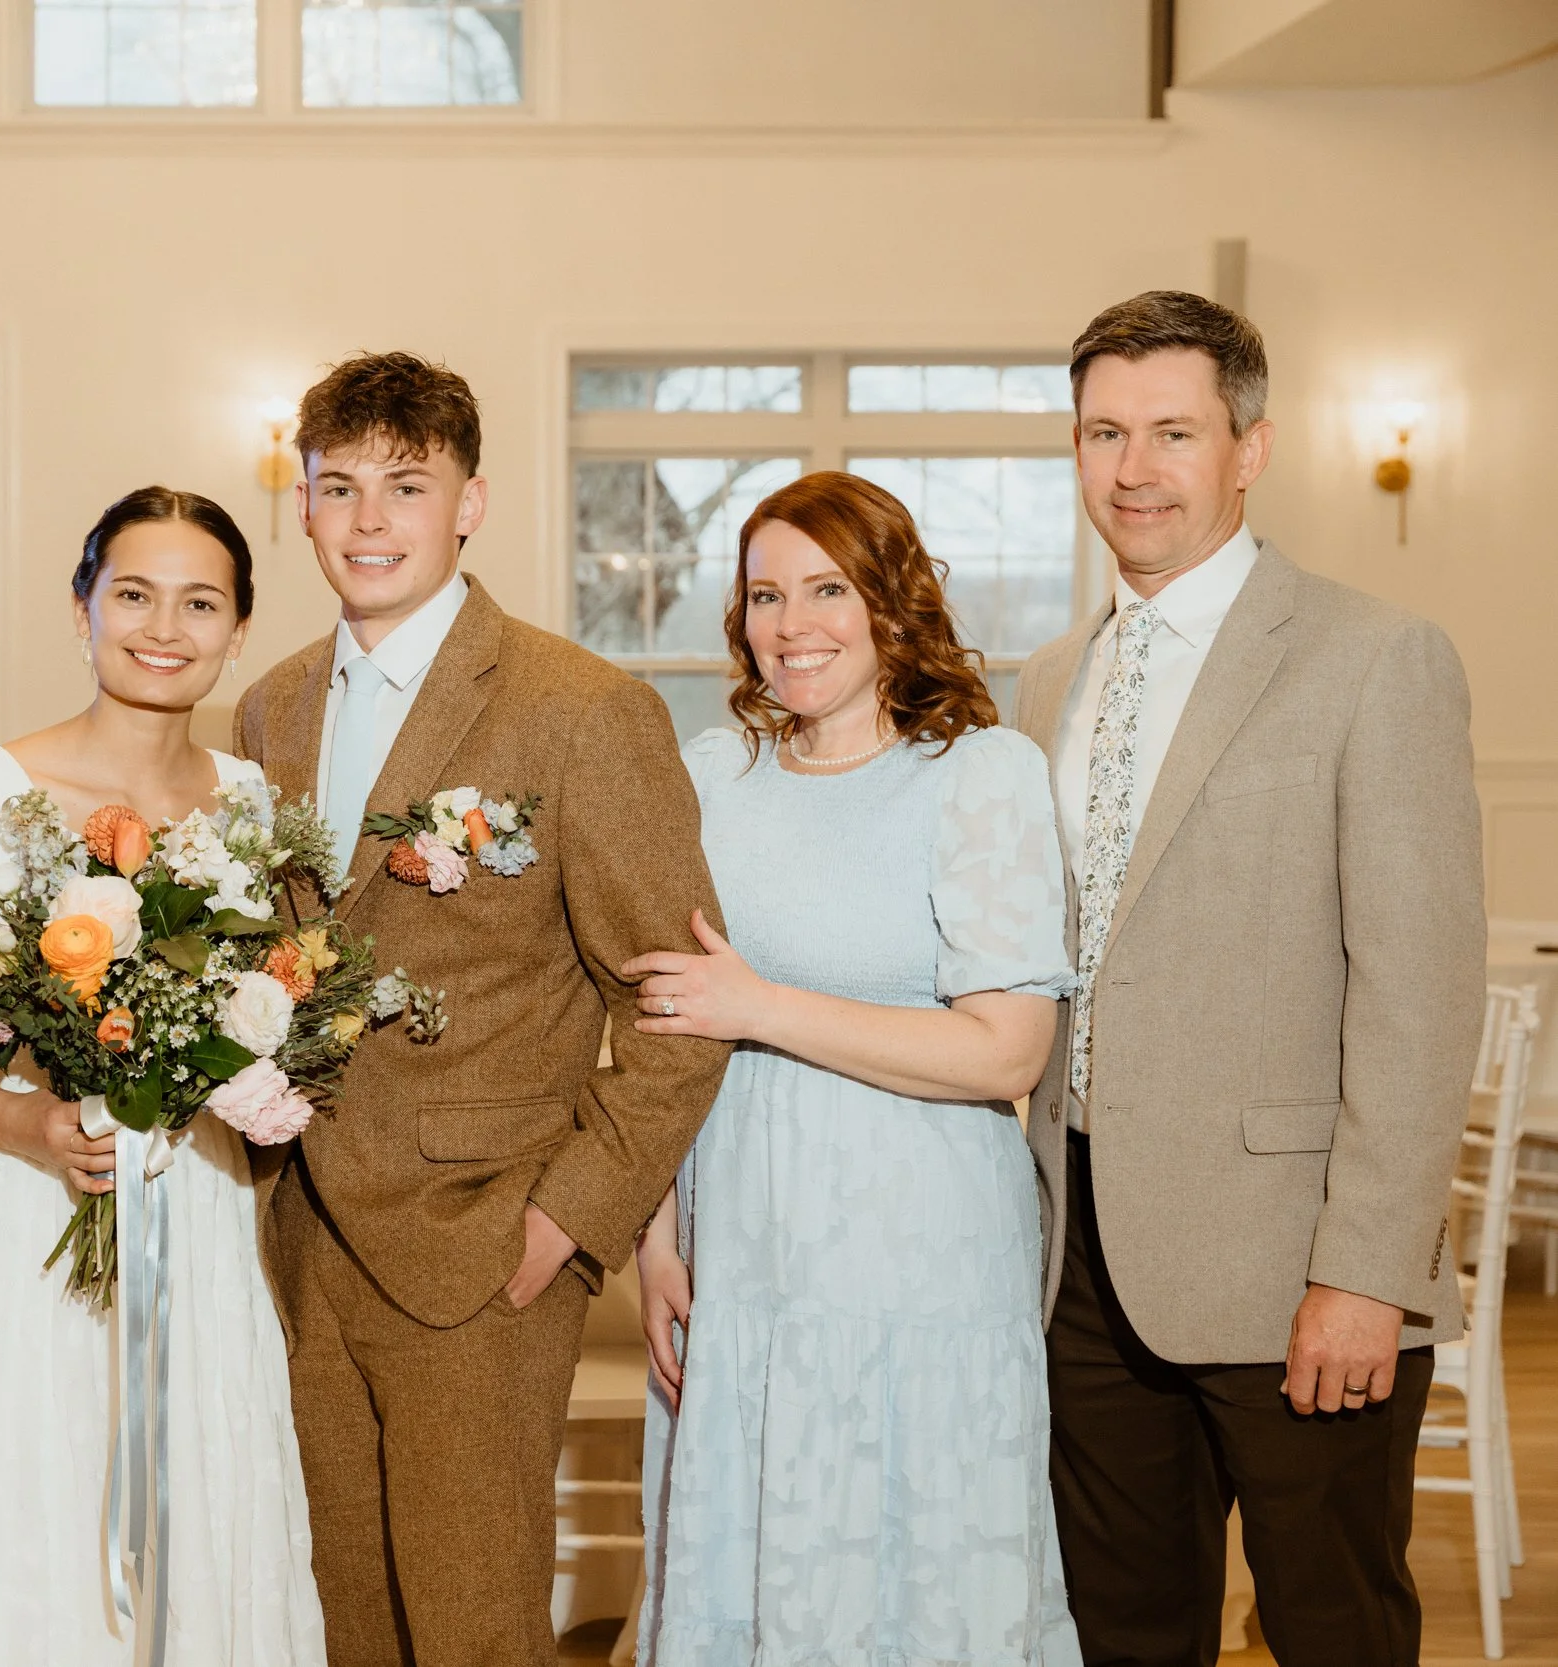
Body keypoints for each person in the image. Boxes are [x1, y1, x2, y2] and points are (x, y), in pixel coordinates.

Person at [234, 353, 727, 1667]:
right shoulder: (272, 705)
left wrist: (569, 1217)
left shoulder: (581, 711)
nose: (371, 518)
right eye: (339, 487)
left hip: (483, 1244)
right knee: (346, 1620)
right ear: (304, 508)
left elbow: (679, 1002)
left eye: (408, 484)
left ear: (473, 501)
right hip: (297, 1238)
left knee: (474, 1629)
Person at [1015, 291, 1483, 1667]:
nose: (1133, 466)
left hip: (1297, 1267)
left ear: (1248, 448)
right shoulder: (1050, 680)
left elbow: (1420, 993)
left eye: (1172, 430)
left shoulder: (1373, 656)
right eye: (1104, 431)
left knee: (1333, 1627)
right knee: (1124, 1630)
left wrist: (1365, 1271)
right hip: (1083, 1265)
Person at [622, 470, 1082, 1664]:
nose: (793, 623)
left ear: (892, 599)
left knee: (909, 1579)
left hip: (917, 1263)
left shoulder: (979, 774)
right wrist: (656, 1233)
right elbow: (664, 1018)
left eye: (828, 588)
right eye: (765, 593)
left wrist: (764, 1005)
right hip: (741, 1245)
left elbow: (1005, 1048)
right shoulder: (715, 775)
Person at [0, 486, 324, 1665]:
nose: (162, 626)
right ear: (81, 607)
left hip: (203, 1221)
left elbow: (273, 1003)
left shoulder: (251, 802)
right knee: (42, 1531)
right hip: (30, 1227)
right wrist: (29, 1122)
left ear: (237, 629)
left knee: (208, 1527)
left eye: (199, 601)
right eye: (132, 593)